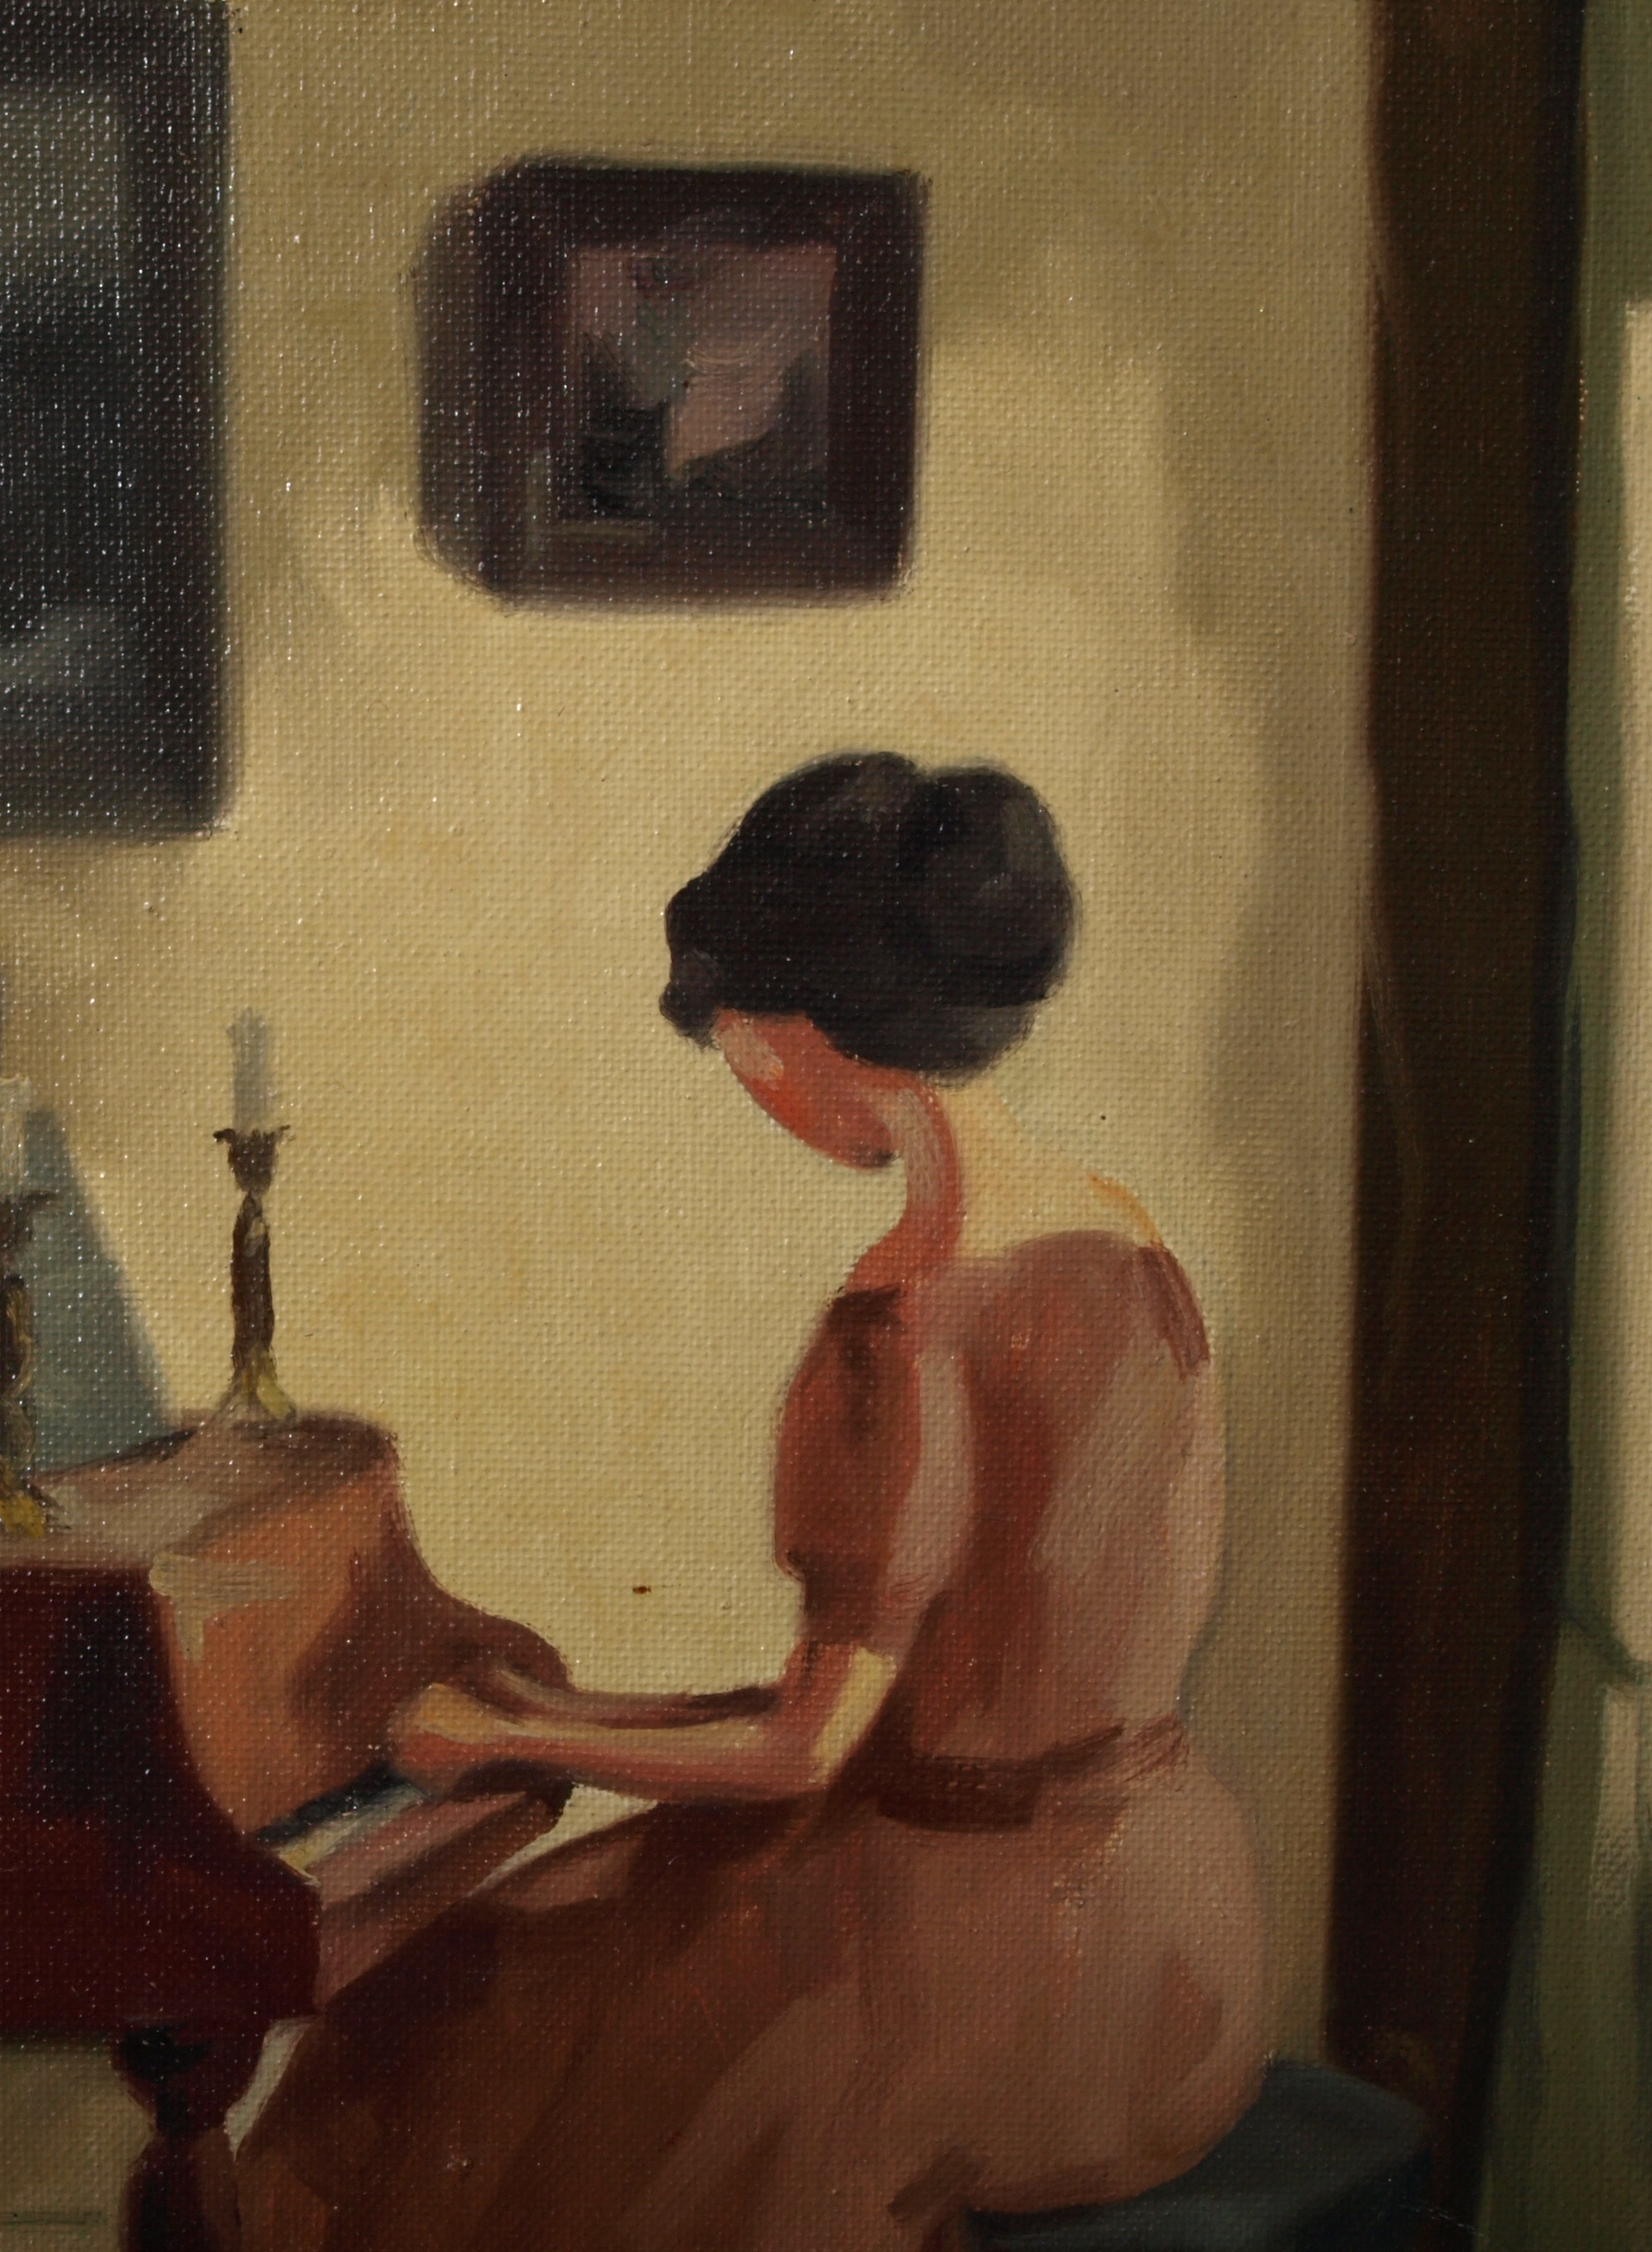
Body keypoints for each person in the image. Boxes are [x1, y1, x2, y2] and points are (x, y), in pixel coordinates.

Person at [235, 753, 1268, 2252]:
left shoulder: (906, 1324)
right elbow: (957, 1695)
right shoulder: (1128, 1249)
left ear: (799, 1036)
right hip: (1170, 1955)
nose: (746, 1083)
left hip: (968, 1975)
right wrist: (572, 1711)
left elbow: (805, 1747)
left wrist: (504, 1738)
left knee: (429, 2028)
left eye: (737, 1046)